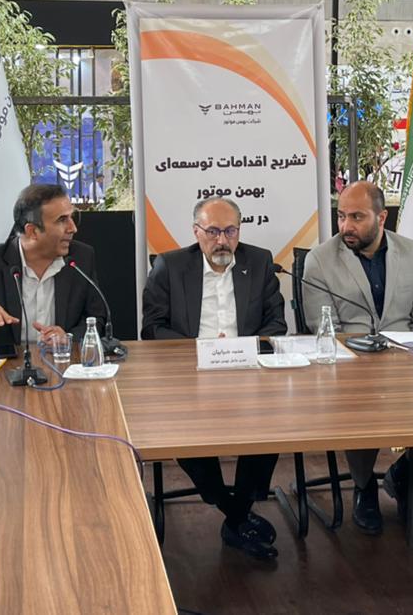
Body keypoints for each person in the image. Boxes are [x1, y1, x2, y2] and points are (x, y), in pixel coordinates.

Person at [141, 197, 287, 561]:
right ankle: (232, 509)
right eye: (213, 232)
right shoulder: (170, 266)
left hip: (247, 370)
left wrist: (243, 348)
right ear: (196, 232)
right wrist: (201, 349)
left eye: (230, 231)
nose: (222, 240)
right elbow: (152, 328)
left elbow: (276, 323)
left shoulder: (259, 262)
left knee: (273, 423)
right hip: (190, 374)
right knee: (180, 430)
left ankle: (238, 510)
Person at [302, 181, 413, 535]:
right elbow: (324, 327)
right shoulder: (320, 259)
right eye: (341, 216)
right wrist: (361, 359)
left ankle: (406, 475)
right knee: (356, 401)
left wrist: (410, 360)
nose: (345, 226)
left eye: (357, 217)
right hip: (351, 363)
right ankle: (363, 485)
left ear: (381, 218)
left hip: (406, 362)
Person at [0, 183, 106, 354]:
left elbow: (97, 318)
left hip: (60, 363)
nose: (73, 228)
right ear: (32, 231)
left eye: (71, 217)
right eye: (62, 220)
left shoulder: (81, 258)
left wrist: (68, 338)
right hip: (3, 366)